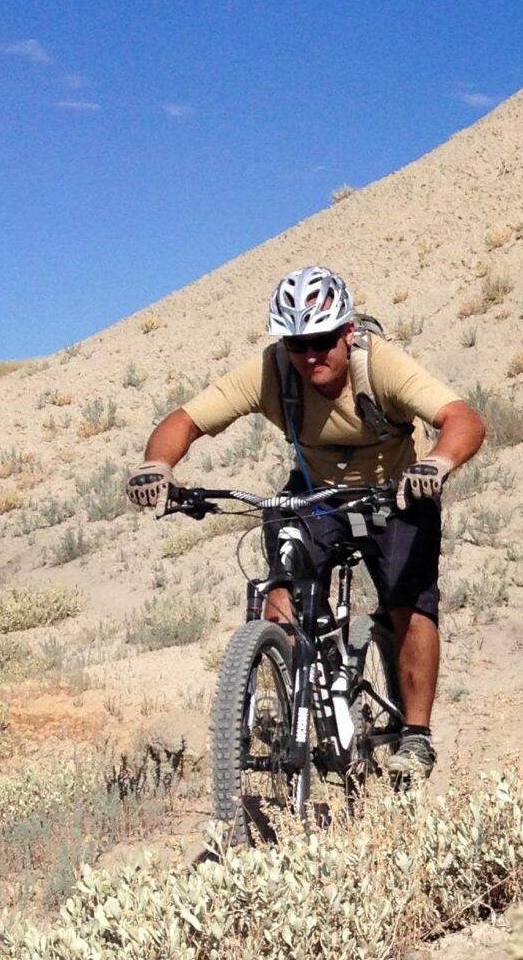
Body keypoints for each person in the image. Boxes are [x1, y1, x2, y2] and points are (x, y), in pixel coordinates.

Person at [126, 266, 486, 780]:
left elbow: (462, 419)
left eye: (322, 340)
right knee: (280, 592)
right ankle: (293, 698)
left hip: (398, 490)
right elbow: (185, 421)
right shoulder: (273, 371)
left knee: (410, 600)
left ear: (346, 333)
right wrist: (157, 466)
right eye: (297, 344)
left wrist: (437, 463)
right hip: (317, 491)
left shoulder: (379, 364)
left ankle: (417, 736)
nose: (310, 355)